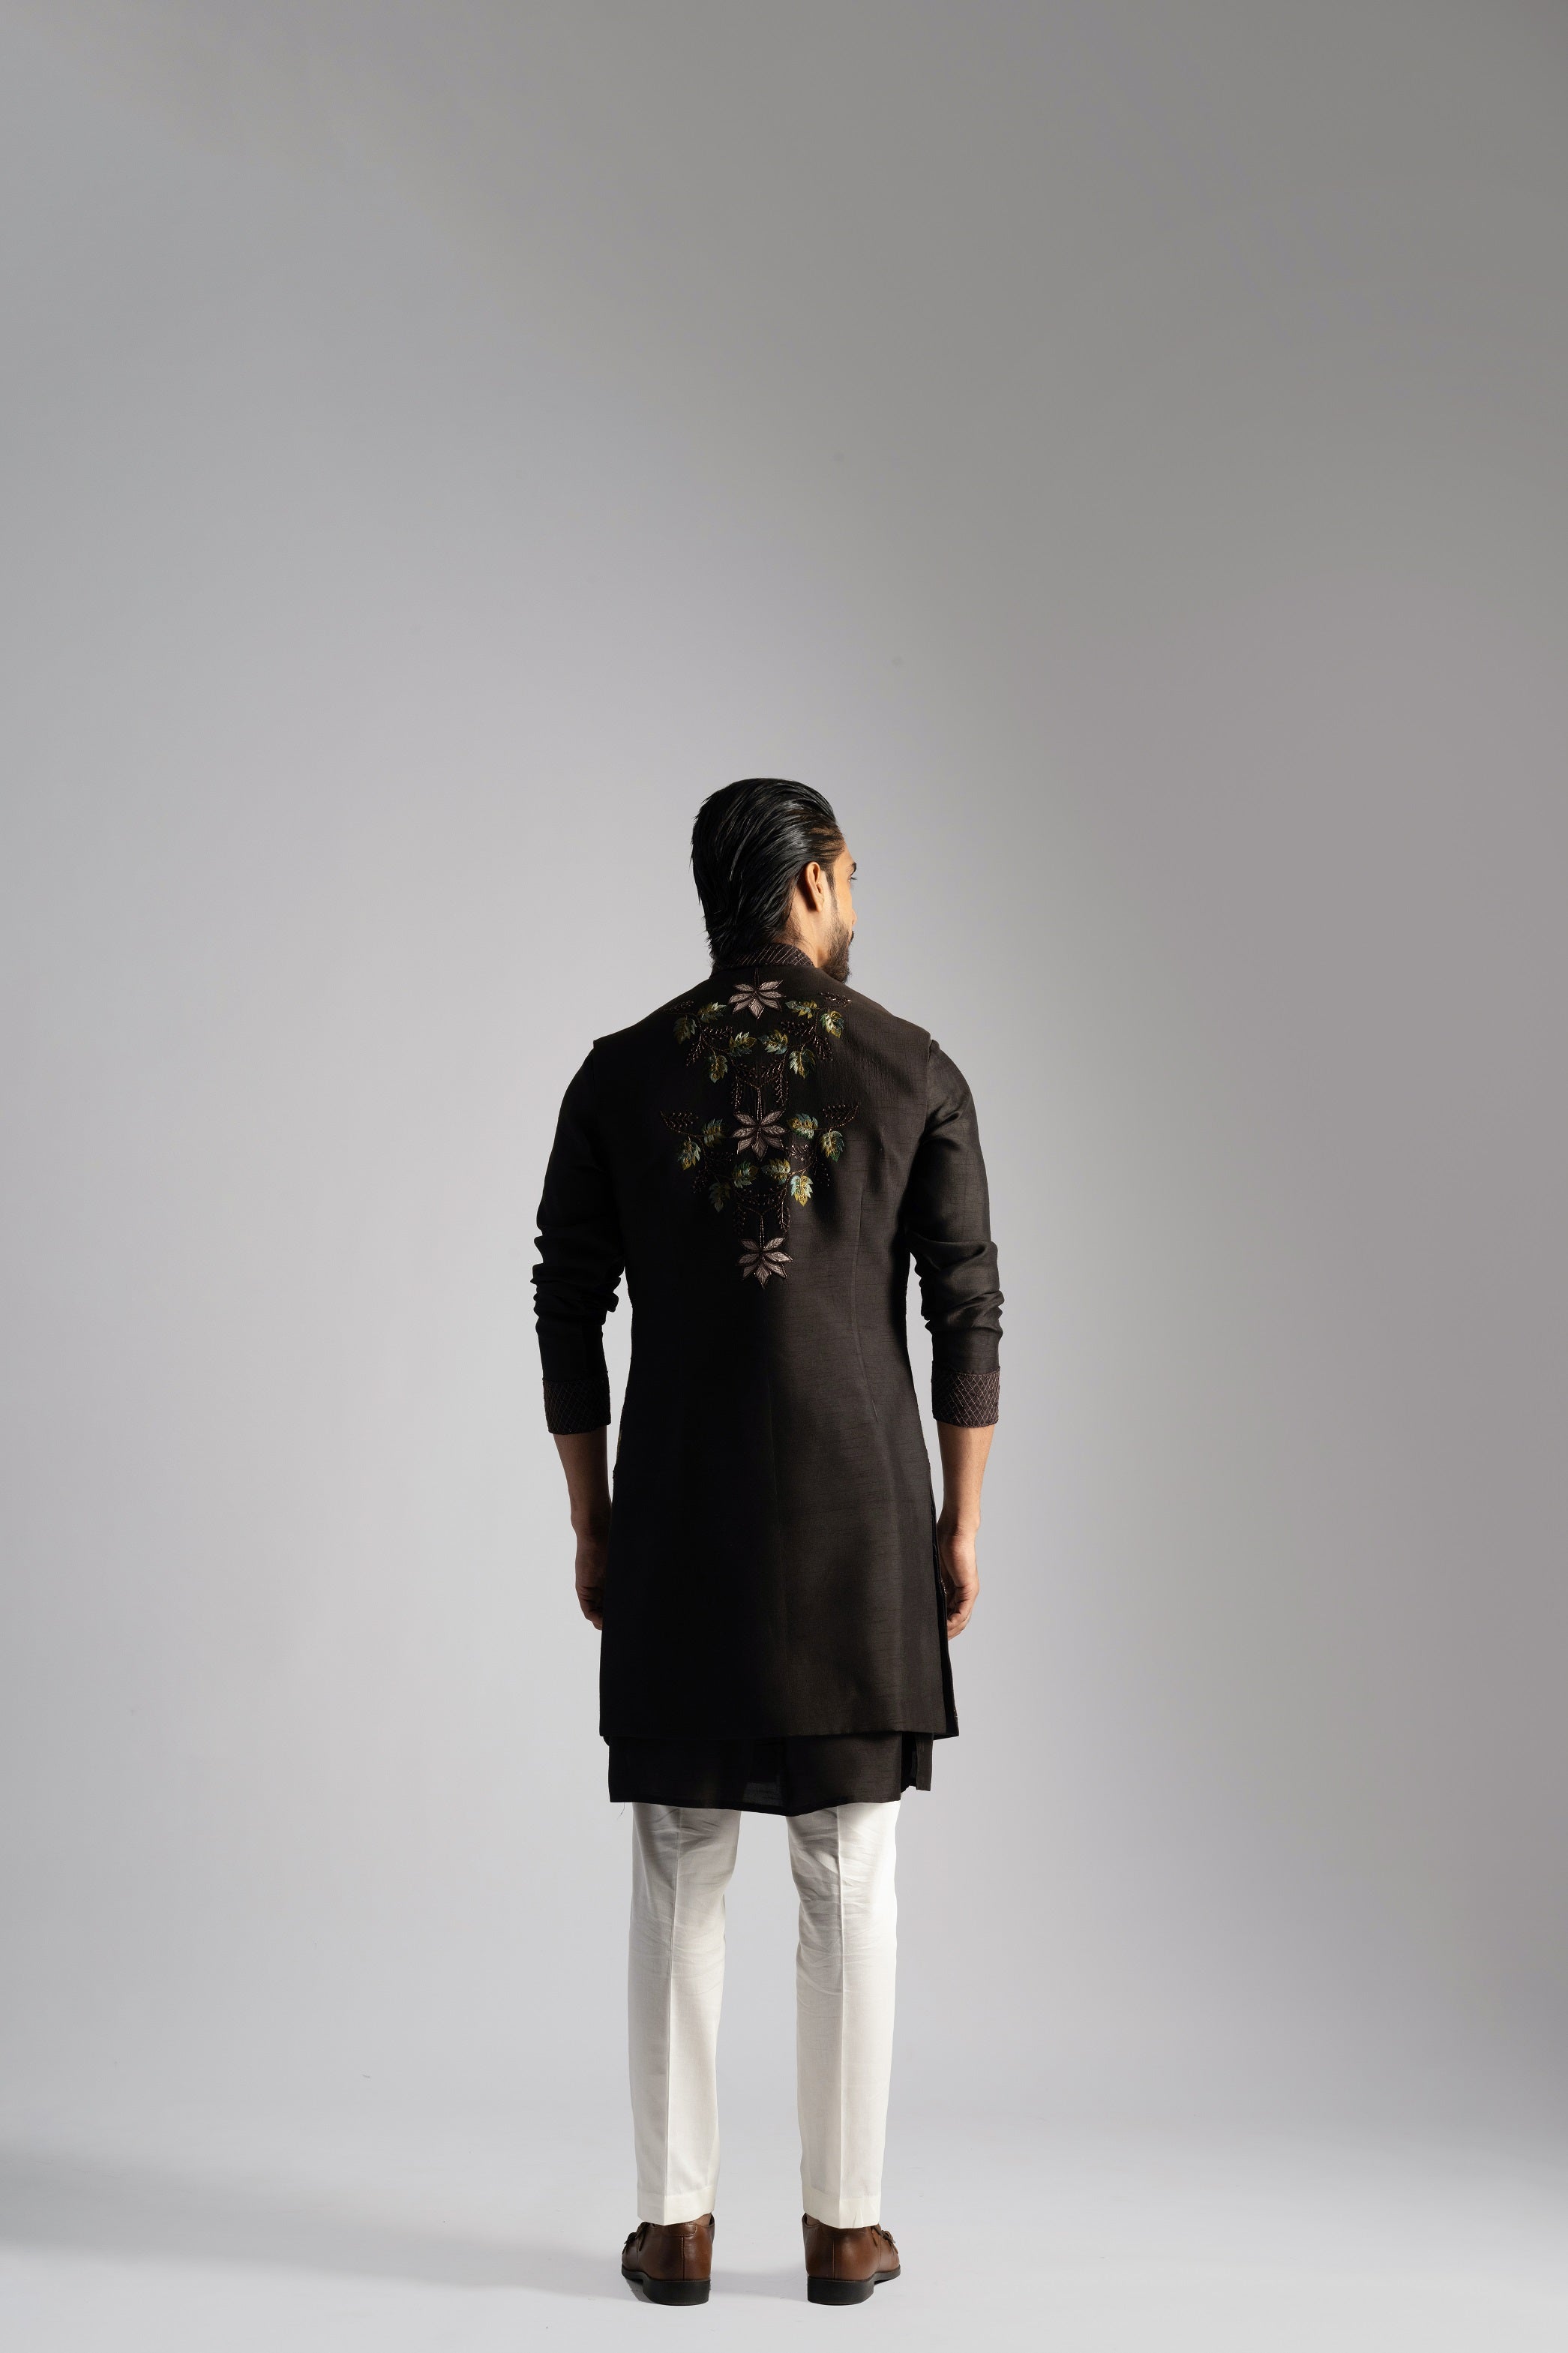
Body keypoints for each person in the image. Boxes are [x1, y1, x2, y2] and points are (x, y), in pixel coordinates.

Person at [532, 778, 1002, 2306]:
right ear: (806, 884)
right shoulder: (913, 1066)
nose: (856, 901)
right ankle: (843, 2230)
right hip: (864, 1517)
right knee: (848, 1864)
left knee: (679, 1858)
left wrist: (591, 1518)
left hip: (676, 1510)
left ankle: (673, 2228)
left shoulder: (618, 1075)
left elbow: (563, 1301)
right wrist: (960, 1520)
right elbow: (967, 1306)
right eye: (849, 875)